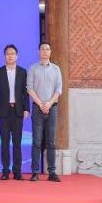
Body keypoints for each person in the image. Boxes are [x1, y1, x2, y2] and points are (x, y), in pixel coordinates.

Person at [0, 43, 29, 181]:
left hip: (18, 111)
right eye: (8, 54)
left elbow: (25, 93)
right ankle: (5, 171)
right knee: (5, 143)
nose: (10, 56)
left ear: (16, 56)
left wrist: (27, 109)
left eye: (12, 53)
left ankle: (17, 171)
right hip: (4, 111)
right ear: (4, 56)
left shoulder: (23, 72)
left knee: (17, 143)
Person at [27, 41, 63, 182]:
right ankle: (35, 172)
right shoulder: (33, 69)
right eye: (42, 49)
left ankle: (52, 172)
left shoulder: (56, 69)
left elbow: (59, 89)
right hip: (37, 108)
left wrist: (49, 103)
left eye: (47, 49)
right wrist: (40, 103)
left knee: (51, 142)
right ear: (38, 52)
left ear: (50, 52)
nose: (45, 51)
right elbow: (30, 88)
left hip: (52, 108)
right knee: (36, 141)